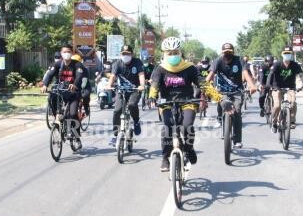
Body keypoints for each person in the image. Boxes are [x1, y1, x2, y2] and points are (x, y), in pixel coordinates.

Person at [149, 37, 200, 171]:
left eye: (175, 52)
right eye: (169, 53)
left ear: (180, 52)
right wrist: (152, 96)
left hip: (187, 102)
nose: (173, 55)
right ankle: (165, 158)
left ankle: (189, 149)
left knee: (187, 126)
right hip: (167, 103)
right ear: (164, 54)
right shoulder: (160, 69)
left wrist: (219, 99)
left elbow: (203, 84)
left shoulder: (189, 68)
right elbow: (154, 84)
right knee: (167, 129)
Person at [206, 43, 257, 149]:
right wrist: (204, 87)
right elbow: (210, 75)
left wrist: (252, 85)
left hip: (237, 91)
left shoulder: (239, 60)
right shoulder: (218, 61)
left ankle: (237, 140)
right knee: (223, 106)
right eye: (225, 52)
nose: (227, 54)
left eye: (230, 52)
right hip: (222, 92)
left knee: (237, 111)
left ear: (233, 52)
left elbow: (246, 73)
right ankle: (223, 125)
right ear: (222, 53)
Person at [41, 44, 88, 150]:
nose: (66, 53)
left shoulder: (77, 65)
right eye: (64, 52)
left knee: (72, 114)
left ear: (71, 53)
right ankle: (58, 116)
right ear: (61, 54)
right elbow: (49, 75)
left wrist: (74, 84)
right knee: (50, 97)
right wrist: (45, 85)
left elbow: (79, 76)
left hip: (73, 93)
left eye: (68, 52)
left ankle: (76, 137)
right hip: (61, 91)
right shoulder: (57, 64)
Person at [107, 45, 145, 145]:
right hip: (121, 91)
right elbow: (113, 76)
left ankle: (136, 122)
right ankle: (116, 134)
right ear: (121, 54)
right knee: (117, 110)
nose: (126, 55)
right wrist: (109, 85)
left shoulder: (137, 62)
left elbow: (141, 74)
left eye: (128, 53)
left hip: (134, 90)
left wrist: (142, 85)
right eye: (124, 54)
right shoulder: (117, 63)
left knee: (132, 105)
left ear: (132, 54)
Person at [266, 46, 303, 131]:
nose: (287, 55)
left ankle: (292, 121)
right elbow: (270, 74)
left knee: (293, 103)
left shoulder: (295, 65)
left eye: (289, 53)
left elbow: (301, 75)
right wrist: (268, 84)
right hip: (277, 87)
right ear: (282, 54)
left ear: (291, 54)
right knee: (277, 105)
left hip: (290, 87)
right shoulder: (277, 64)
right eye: (285, 53)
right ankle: (274, 122)